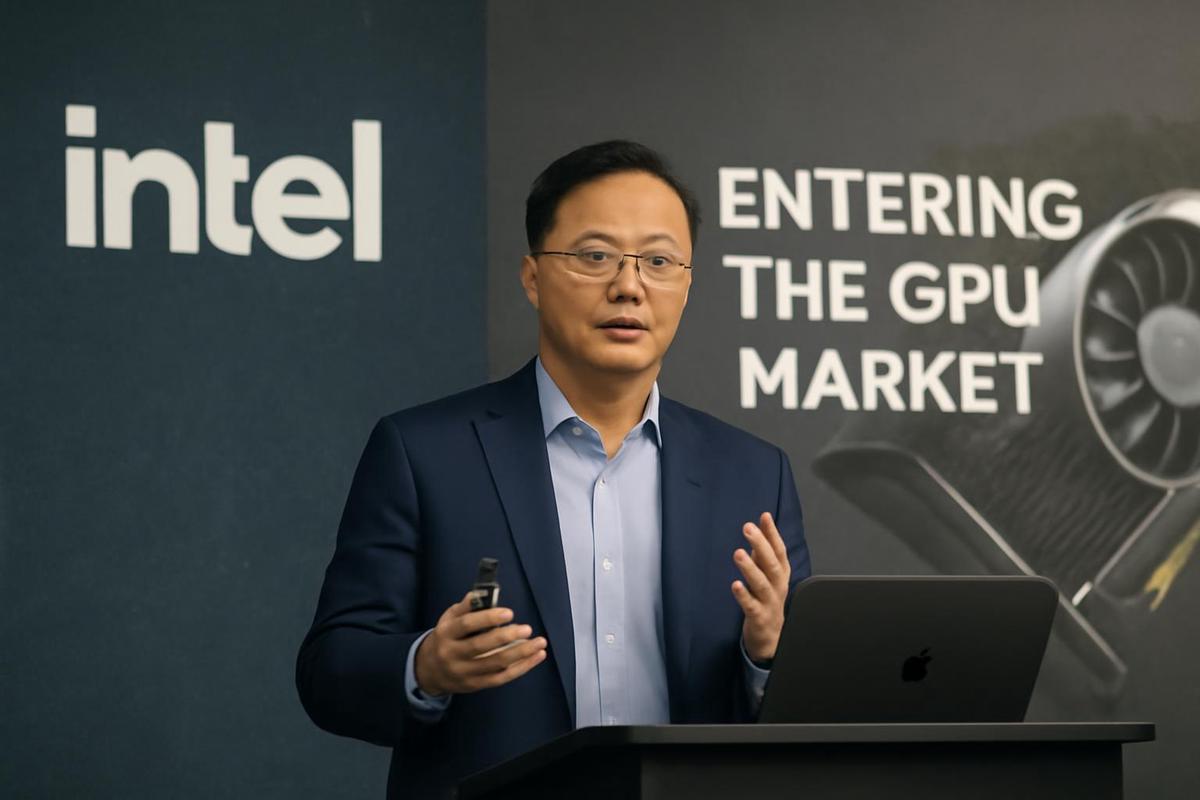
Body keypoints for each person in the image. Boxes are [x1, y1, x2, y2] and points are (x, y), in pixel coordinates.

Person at [296, 140, 810, 798]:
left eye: (658, 261)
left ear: (686, 285)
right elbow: (331, 671)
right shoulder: (423, 452)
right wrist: (427, 665)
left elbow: (805, 715)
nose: (629, 285)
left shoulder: (753, 474)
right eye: (595, 256)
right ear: (533, 277)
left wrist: (767, 658)